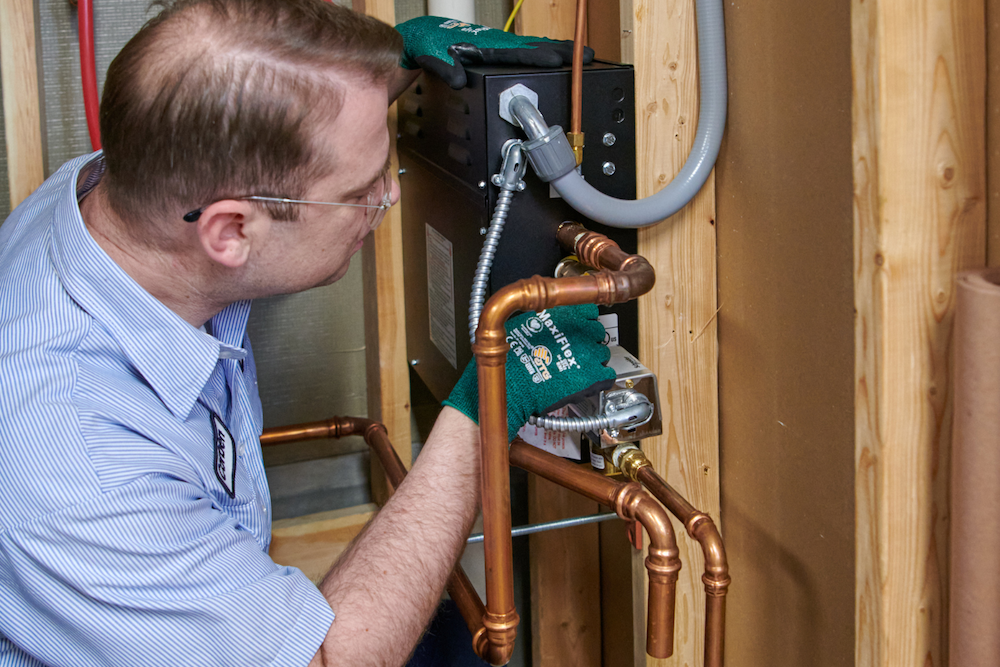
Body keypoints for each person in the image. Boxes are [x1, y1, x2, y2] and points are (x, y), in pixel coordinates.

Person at [0, 1, 608, 665]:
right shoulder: (81, 466)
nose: (389, 196)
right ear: (231, 232)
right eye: (360, 189)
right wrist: (488, 403)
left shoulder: (121, 193)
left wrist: (366, 77)